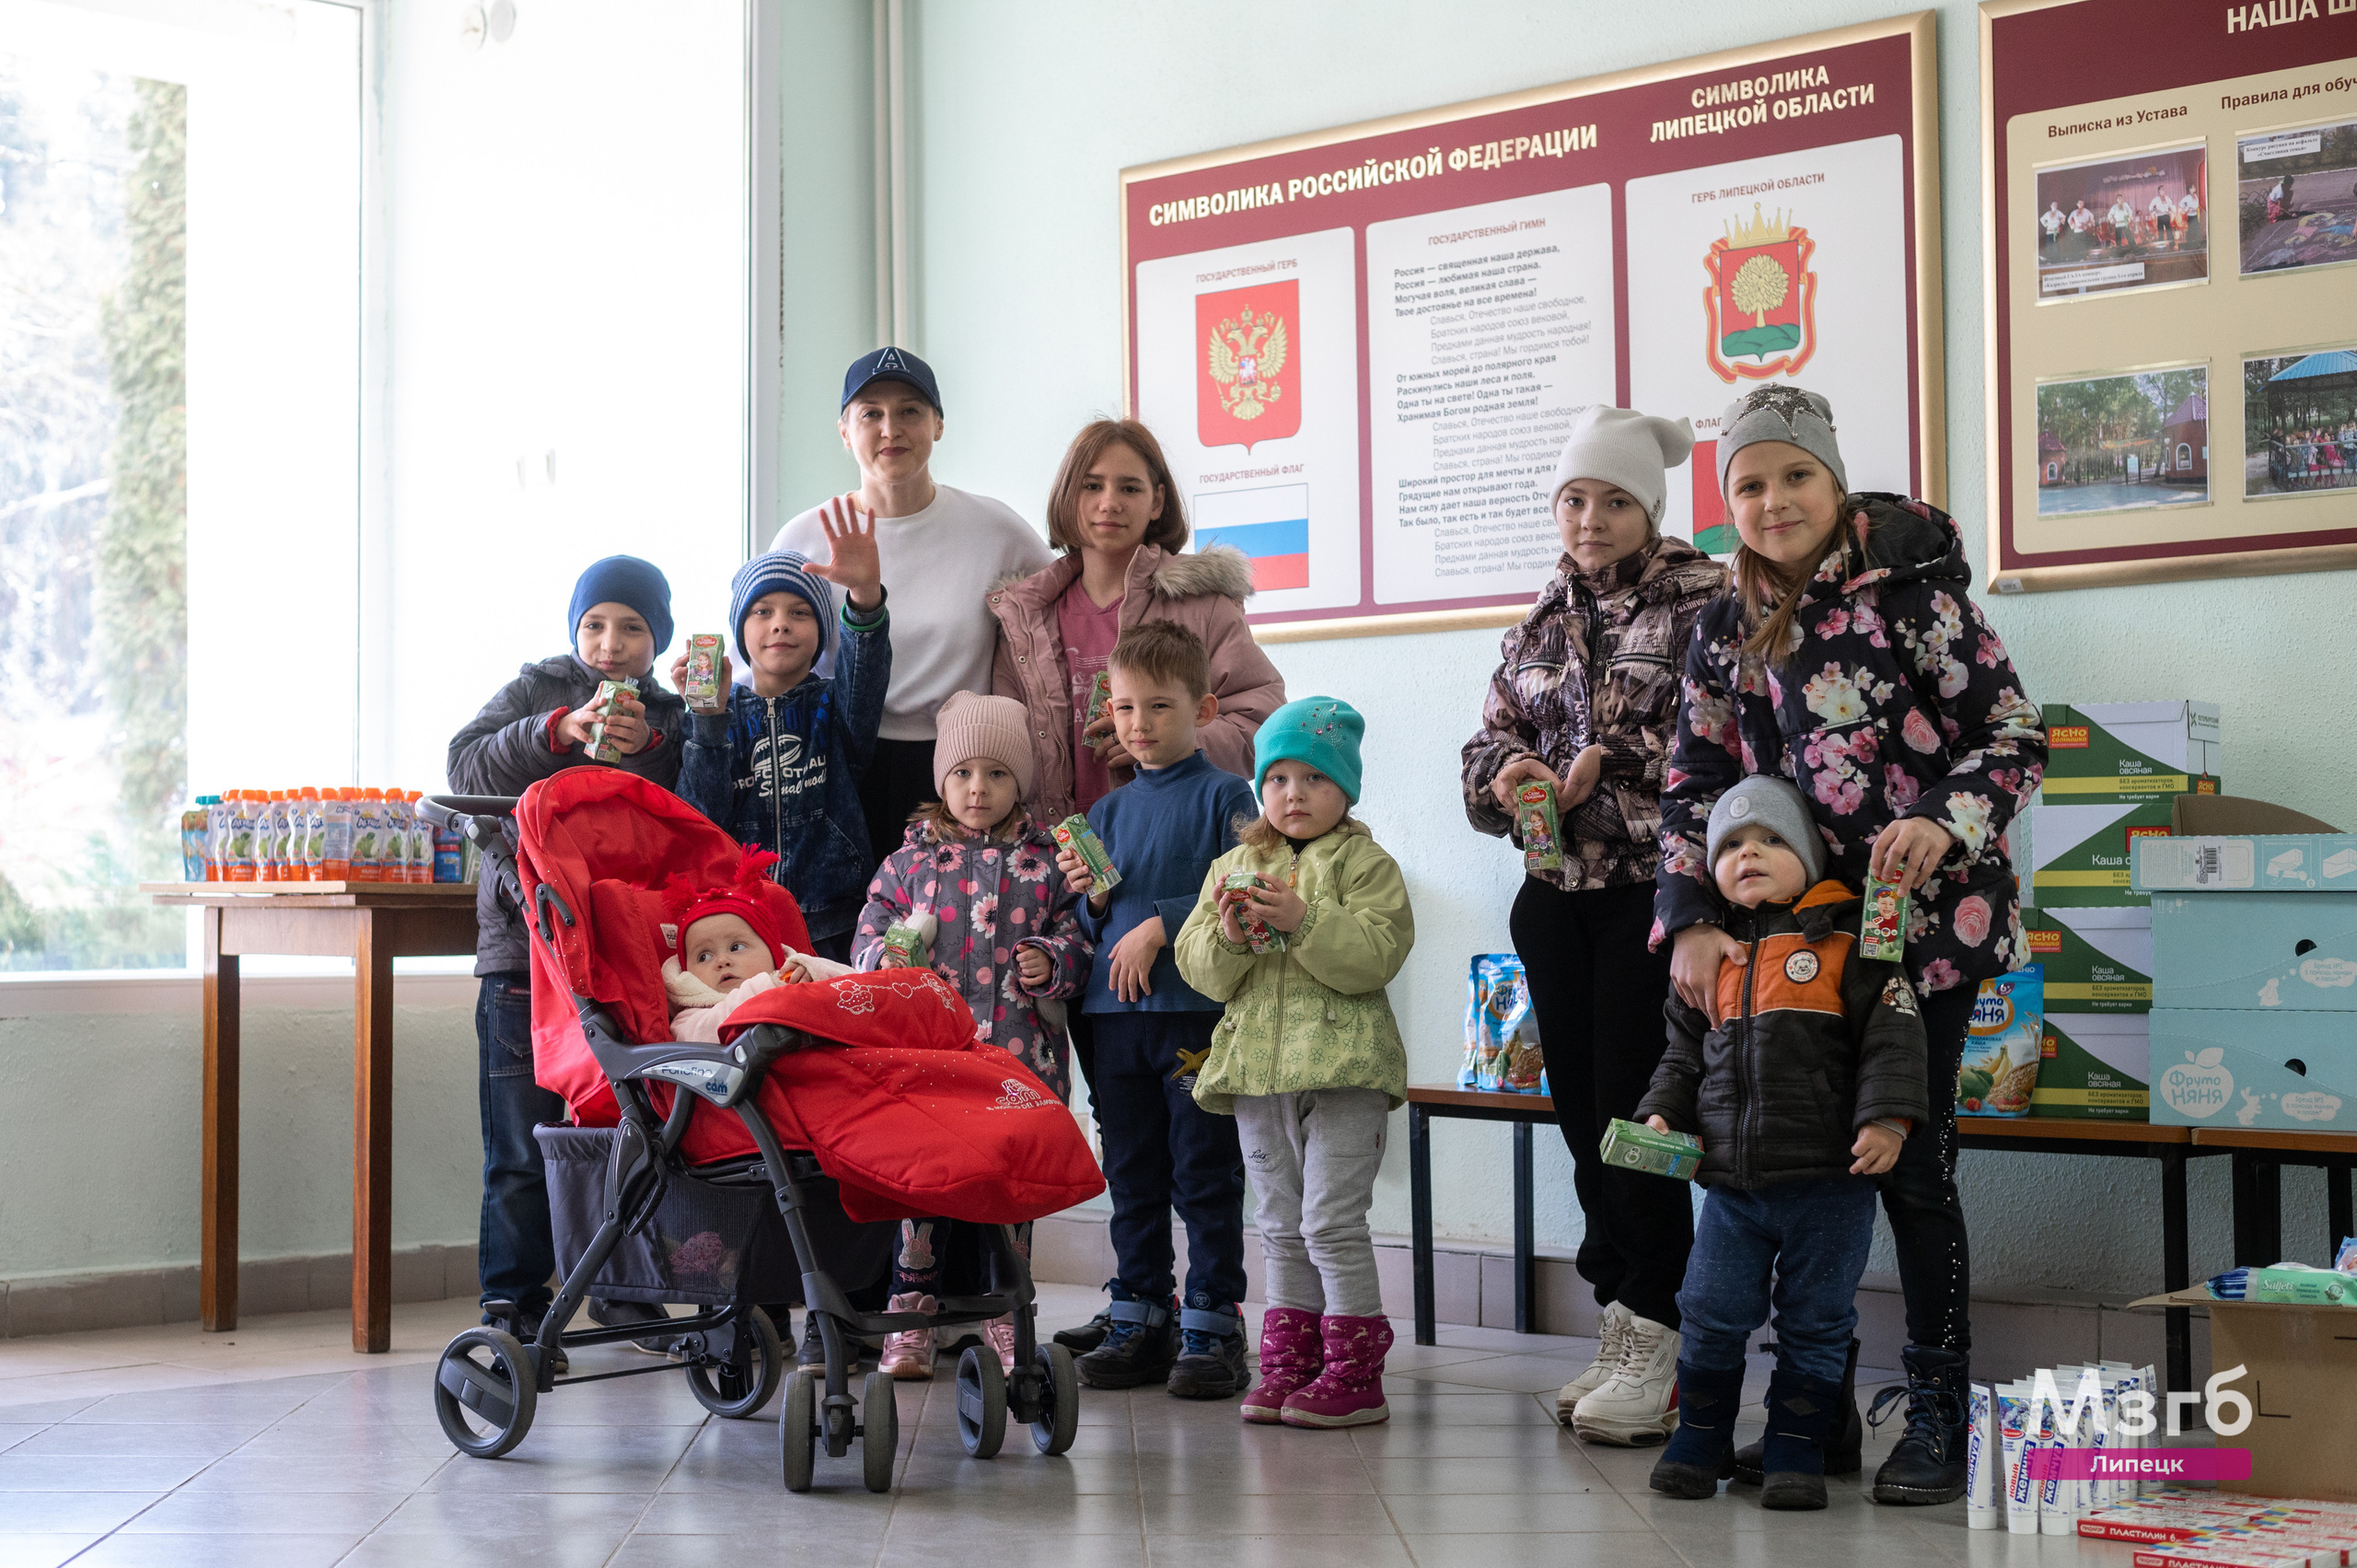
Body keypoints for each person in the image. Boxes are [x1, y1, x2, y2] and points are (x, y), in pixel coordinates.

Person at [1655, 385, 2046, 1507]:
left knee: (1910, 1170)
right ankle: (1809, 1416)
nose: (1773, 501)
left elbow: (2015, 735)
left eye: (1794, 476)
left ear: (1833, 482)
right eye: (1749, 484)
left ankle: (1936, 1407)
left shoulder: (1912, 598)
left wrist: (1943, 814)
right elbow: (1694, 777)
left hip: (1922, 937)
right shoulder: (1722, 622)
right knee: (1783, 1162)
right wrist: (1689, 913)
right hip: (1784, 946)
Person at [1458, 405, 1727, 1444]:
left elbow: (1728, 750)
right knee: (1582, 1123)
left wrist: (1605, 774)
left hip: (1654, 900)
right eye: (1573, 498)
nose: (1589, 517)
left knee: (1640, 1120)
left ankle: (1661, 1329)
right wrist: (1512, 777)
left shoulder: (1706, 602)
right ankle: (1619, 1319)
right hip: (1554, 898)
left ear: (1650, 509)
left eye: (1613, 499)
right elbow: (1483, 753)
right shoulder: (1536, 620)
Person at [1639, 776, 1928, 1511]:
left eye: (1770, 839)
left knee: (1816, 1318)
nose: (1750, 853)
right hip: (1733, 1188)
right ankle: (1699, 1437)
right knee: (1709, 1307)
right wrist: (1662, 1114)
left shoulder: (1849, 942)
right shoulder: (1709, 959)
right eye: (1731, 845)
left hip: (1830, 1183)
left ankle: (1796, 1446)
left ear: (1808, 853)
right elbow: (1680, 1057)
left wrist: (1888, 1118)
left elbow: (1893, 1036)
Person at [447, 555, 687, 1364]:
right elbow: (464, 763)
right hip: (521, 958)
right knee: (520, 1143)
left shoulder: (670, 718)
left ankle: (624, 1289)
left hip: (615, 961)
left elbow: (681, 814)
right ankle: (513, 1301)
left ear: (657, 640)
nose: (609, 644)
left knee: (627, 1131)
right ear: (573, 629)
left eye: (631, 628)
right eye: (594, 625)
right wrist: (557, 731)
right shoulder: (534, 687)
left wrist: (646, 746)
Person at [1176, 697, 1413, 1429]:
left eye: (1313, 777)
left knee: (1330, 1220)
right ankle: (1291, 1361)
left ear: (1345, 788)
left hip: (1345, 1071)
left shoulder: (1365, 862)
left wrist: (1303, 919)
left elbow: (1378, 953)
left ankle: (1355, 1368)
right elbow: (1201, 970)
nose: (1293, 793)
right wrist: (1228, 937)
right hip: (1257, 1073)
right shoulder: (1234, 864)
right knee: (1278, 1221)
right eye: (1276, 778)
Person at [851, 691, 1092, 1379]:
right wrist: (885, 962)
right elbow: (865, 940)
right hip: (928, 1063)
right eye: (962, 773)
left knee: (1012, 1187)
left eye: (995, 774)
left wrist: (1054, 960)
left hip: (1021, 1061)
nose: (978, 788)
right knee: (922, 1188)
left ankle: (1007, 1310)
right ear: (940, 781)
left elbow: (1081, 941)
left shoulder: (1047, 864)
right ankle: (911, 1309)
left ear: (1020, 782)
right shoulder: (907, 864)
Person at [1056, 621, 1258, 1399]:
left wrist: (1159, 923)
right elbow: (1088, 924)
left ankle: (1213, 1321)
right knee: (1132, 1169)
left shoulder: (1225, 795)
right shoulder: (1103, 814)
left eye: (1160, 707)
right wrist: (1098, 901)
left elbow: (1239, 886)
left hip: (1191, 1014)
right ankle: (1140, 1311)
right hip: (1114, 1021)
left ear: (1203, 707)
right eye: (1126, 707)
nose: (1139, 725)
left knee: (1204, 1168)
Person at [772, 348, 1053, 866]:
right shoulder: (805, 535)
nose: (890, 429)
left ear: (939, 424)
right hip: (837, 762)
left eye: (910, 411)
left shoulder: (995, 528)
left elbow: (1067, 614)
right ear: (843, 430)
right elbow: (761, 659)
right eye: (870, 414)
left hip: (964, 767)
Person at [989, 417, 1285, 825]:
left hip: (1176, 846)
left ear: (1157, 502)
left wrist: (1170, 745)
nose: (1110, 503)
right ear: (1066, 496)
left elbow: (1263, 725)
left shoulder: (1205, 606)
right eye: (1092, 486)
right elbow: (999, 747)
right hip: (1054, 864)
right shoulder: (1024, 620)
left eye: (1130, 487)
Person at [674, 509, 888, 962]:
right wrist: (707, 720)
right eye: (762, 611)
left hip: (834, 918)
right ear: (741, 630)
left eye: (800, 612)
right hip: (740, 925)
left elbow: (865, 669)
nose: (780, 623)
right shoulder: (718, 715)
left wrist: (865, 597)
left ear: (821, 632)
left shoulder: (836, 707)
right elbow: (701, 818)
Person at [663, 852, 849, 1042]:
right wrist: (766, 988)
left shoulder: (795, 978)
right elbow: (705, 1036)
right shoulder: (690, 1019)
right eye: (704, 957)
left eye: (736, 947)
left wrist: (814, 970)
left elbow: (859, 986)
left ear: (773, 953)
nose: (722, 961)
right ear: (686, 973)